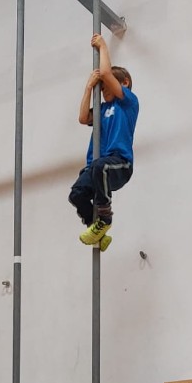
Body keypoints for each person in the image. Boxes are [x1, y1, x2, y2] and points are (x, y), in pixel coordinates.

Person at [69, 33, 139, 250]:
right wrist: (89, 88)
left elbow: (107, 73)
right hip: (96, 168)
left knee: (101, 166)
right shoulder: (101, 109)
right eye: (102, 87)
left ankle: (104, 218)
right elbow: (83, 118)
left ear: (124, 83)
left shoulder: (127, 102)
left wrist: (102, 46)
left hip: (119, 163)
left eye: (107, 85)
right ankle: (98, 233)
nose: (105, 89)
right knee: (77, 193)